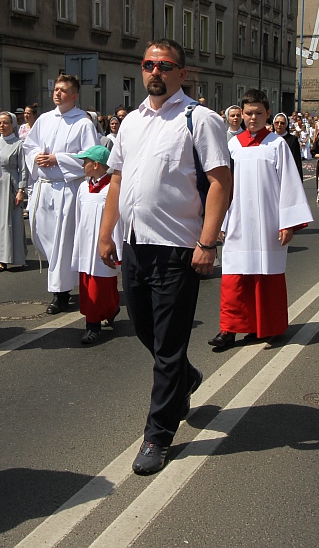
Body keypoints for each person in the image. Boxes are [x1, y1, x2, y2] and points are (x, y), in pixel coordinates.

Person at [97, 39, 231, 475]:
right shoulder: (131, 122)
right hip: (136, 244)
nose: (156, 72)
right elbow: (116, 181)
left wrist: (207, 242)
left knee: (169, 346)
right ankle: (185, 379)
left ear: (181, 73)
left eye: (166, 65)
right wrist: (105, 234)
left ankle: (158, 435)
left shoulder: (199, 119)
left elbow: (219, 183)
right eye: (149, 64)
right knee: (142, 328)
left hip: (177, 249)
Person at [209, 90, 311, 349]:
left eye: (258, 113)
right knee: (234, 277)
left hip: (268, 222)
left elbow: (289, 183)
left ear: (267, 114)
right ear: (240, 115)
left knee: (266, 277)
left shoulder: (277, 145)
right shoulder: (231, 146)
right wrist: (219, 222)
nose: (252, 118)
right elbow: (222, 187)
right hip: (237, 219)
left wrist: (287, 222)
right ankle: (229, 329)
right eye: (248, 113)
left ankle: (263, 326)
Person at [23, 75, 100, 314]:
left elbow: (91, 157)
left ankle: (61, 293)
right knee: (42, 236)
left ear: (74, 95)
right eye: (56, 89)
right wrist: (37, 156)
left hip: (67, 189)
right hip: (44, 187)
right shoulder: (45, 119)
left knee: (61, 241)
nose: (57, 94)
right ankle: (64, 279)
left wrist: (59, 158)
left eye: (63, 90)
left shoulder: (82, 122)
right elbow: (29, 144)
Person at [70, 144, 120, 344]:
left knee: (102, 284)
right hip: (86, 243)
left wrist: (113, 243)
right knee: (87, 283)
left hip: (103, 242)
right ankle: (104, 312)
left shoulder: (111, 189)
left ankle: (94, 326)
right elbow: (79, 215)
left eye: (85, 161)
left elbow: (118, 217)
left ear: (96, 165)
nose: (83, 165)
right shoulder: (83, 186)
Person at [0, 111, 27, 273]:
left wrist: (21, 190)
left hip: (10, 184)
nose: (2, 126)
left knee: (9, 222)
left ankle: (7, 258)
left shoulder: (18, 144)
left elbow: (24, 169)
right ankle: (3, 255)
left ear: (13, 125)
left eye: (5, 123)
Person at [272, 112, 303, 179]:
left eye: (282, 123)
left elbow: (296, 159)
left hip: (287, 172)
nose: (279, 125)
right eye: (277, 123)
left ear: (286, 125)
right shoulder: (269, 138)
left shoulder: (292, 139)